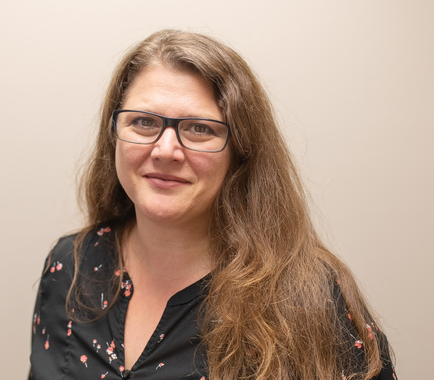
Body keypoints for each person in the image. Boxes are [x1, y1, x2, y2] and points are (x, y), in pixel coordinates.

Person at [29, 29, 397, 380]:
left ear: (240, 151)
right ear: (114, 136)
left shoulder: (310, 298)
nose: (166, 150)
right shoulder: (70, 265)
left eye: (199, 128)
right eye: (143, 122)